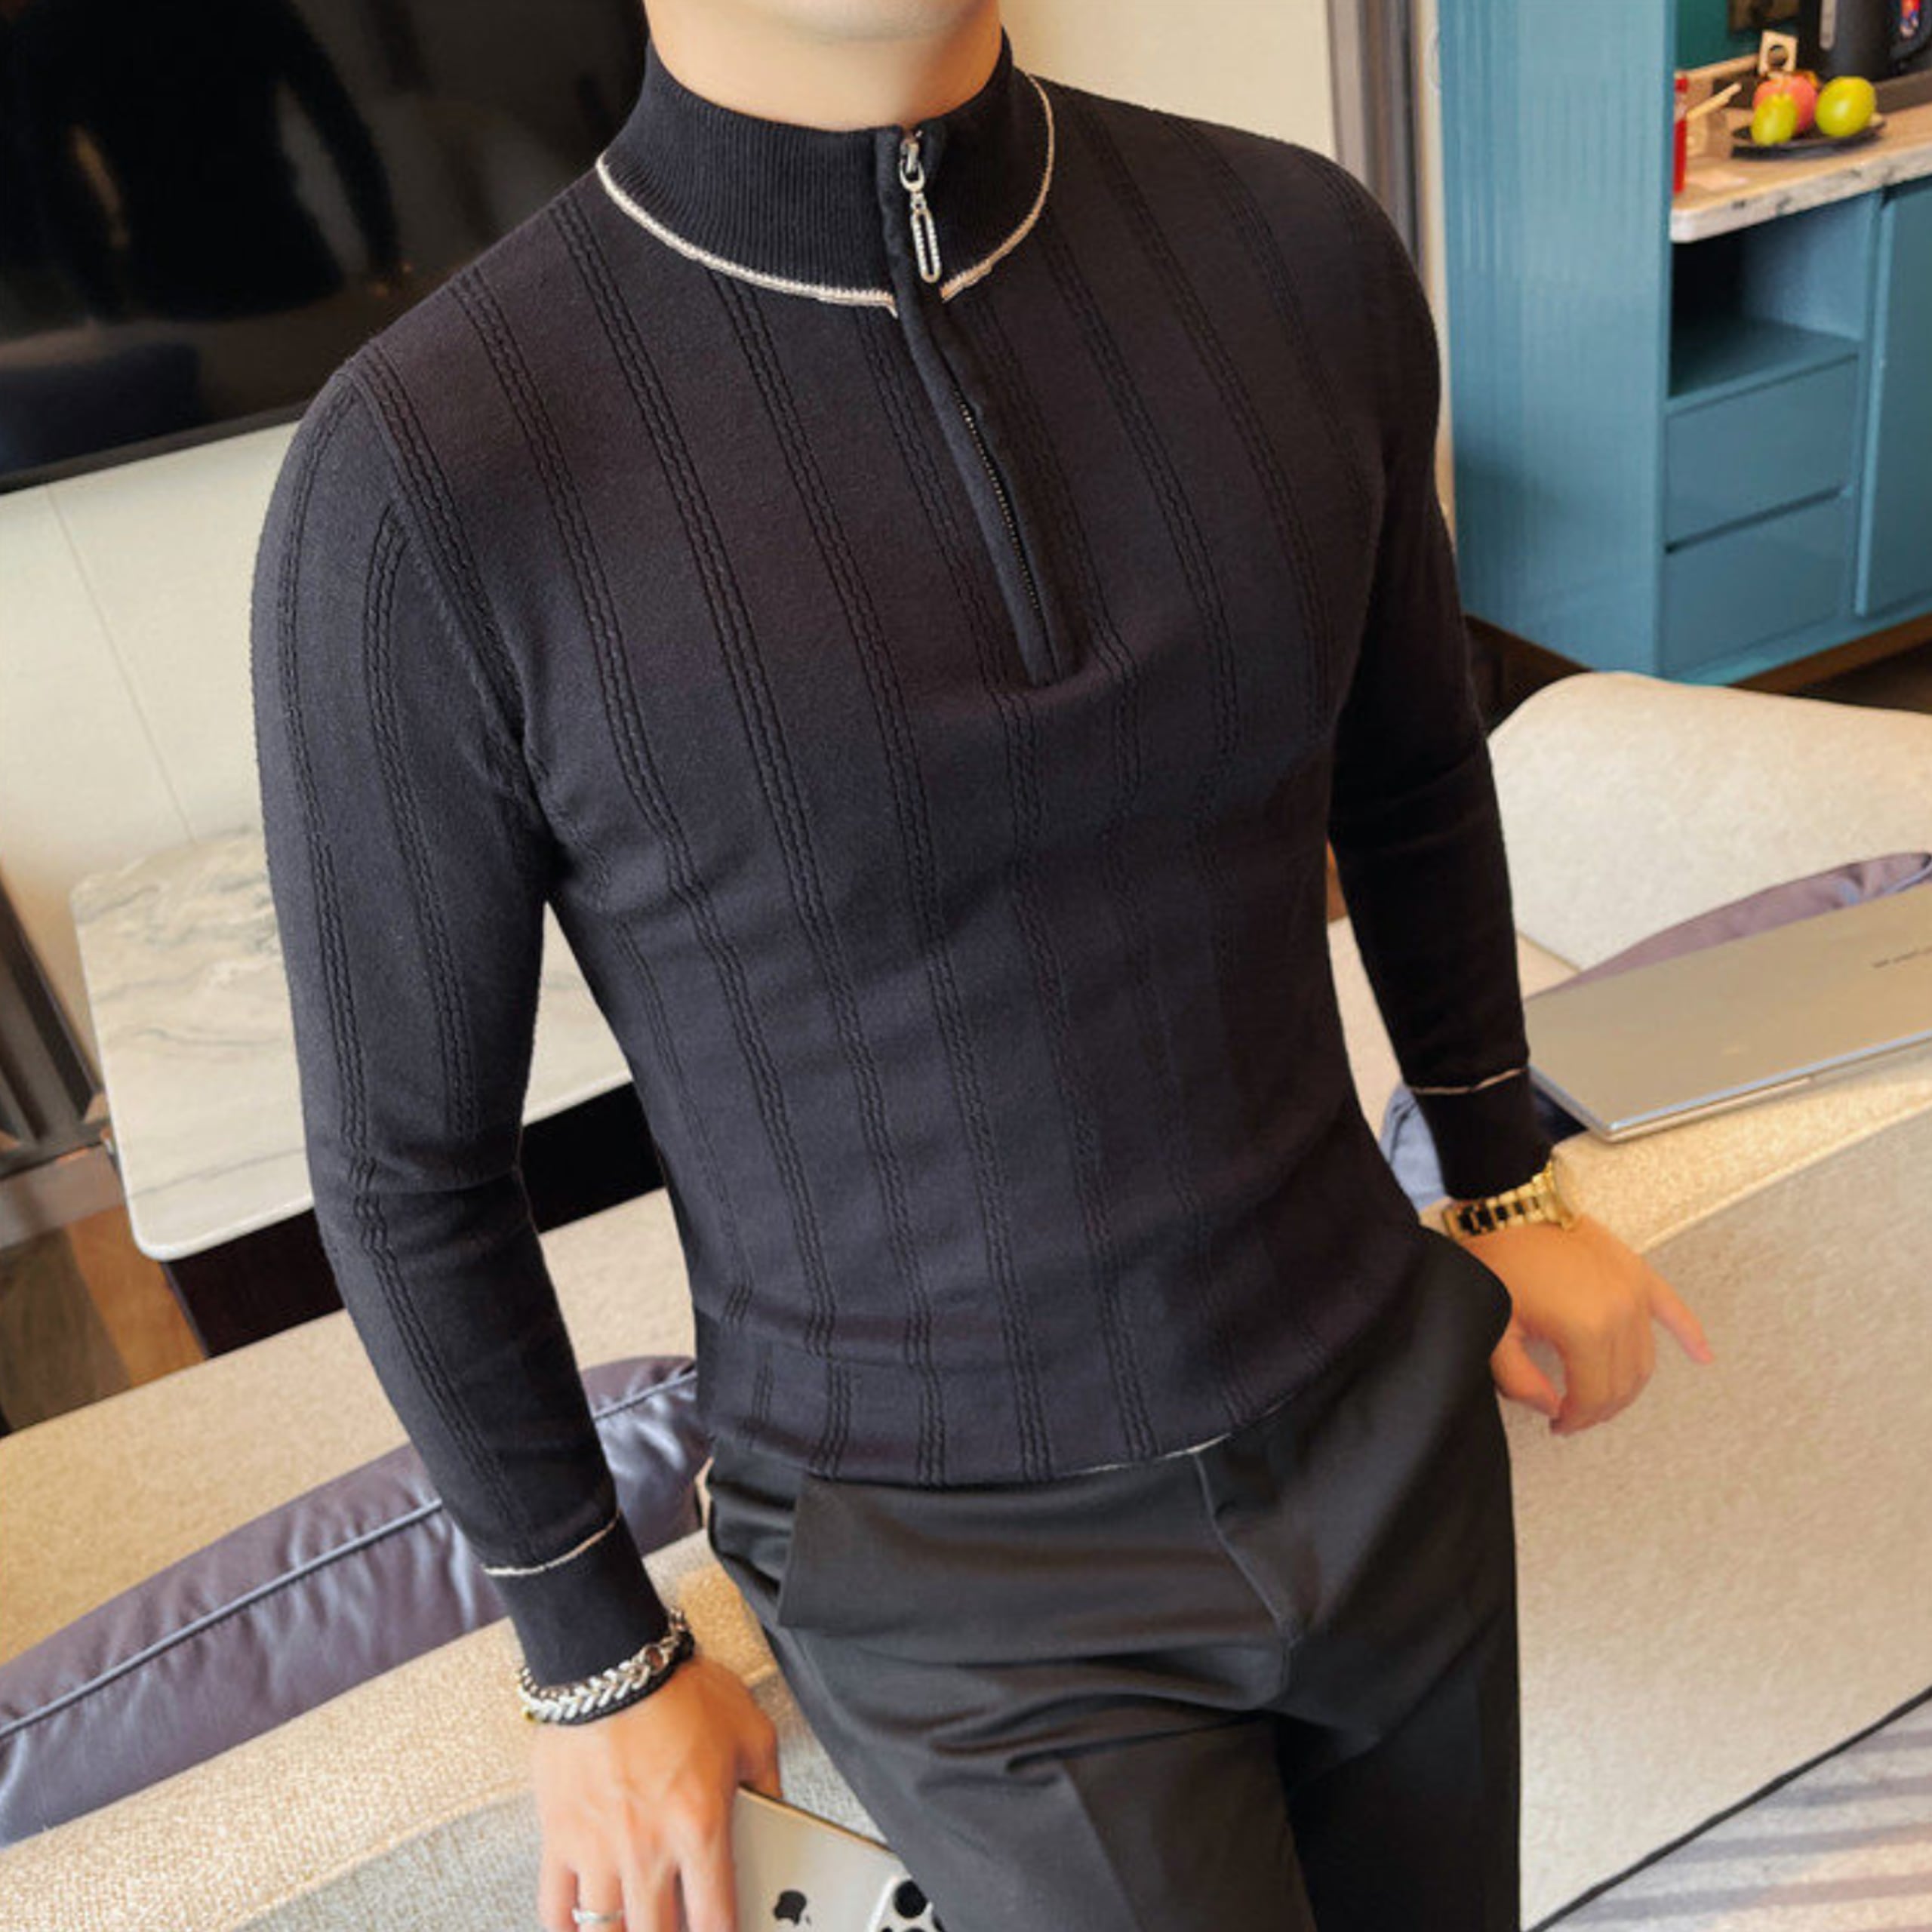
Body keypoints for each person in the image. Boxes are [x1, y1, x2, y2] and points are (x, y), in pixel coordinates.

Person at [249, 3, 1716, 1929]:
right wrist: (585, 1638)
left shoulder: (1297, 247)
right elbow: (404, 1163)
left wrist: (1498, 1169)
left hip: (1379, 1399)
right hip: (945, 1568)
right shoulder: (424, 472)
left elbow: (1414, 765)